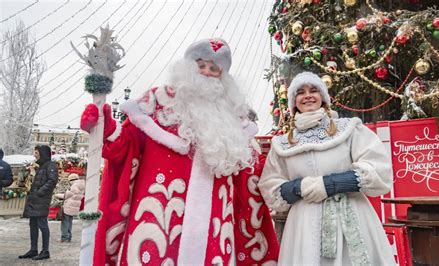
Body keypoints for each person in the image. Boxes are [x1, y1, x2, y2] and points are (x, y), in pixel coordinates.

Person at [80, 38, 279, 265]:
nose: (205, 72)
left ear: (223, 77)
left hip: (214, 238)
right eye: (201, 64)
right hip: (155, 230)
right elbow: (126, 148)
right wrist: (106, 128)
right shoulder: (155, 104)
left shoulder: (234, 121)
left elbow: (250, 176)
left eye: (214, 69)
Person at [258, 72, 395, 265]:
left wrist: (330, 185)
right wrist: (300, 187)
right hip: (305, 226)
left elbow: (377, 169)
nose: (308, 95)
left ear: (323, 97)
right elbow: (270, 187)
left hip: (352, 215)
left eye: (314, 90)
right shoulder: (282, 143)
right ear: (293, 101)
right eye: (301, 92)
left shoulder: (349, 129)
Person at [19, 145, 58, 261]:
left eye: (36, 152)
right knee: (33, 225)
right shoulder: (41, 166)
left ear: (42, 153)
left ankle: (45, 251)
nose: (35, 155)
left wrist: (40, 192)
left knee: (43, 225)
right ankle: (33, 249)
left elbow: (52, 180)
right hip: (35, 200)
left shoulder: (50, 165)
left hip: (41, 200)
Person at [54, 173, 85, 243]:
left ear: (71, 180)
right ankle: (69, 237)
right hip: (74, 207)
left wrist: (57, 195)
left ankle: (64, 238)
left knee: (65, 223)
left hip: (69, 206)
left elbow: (66, 195)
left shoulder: (74, 186)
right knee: (69, 222)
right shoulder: (81, 186)